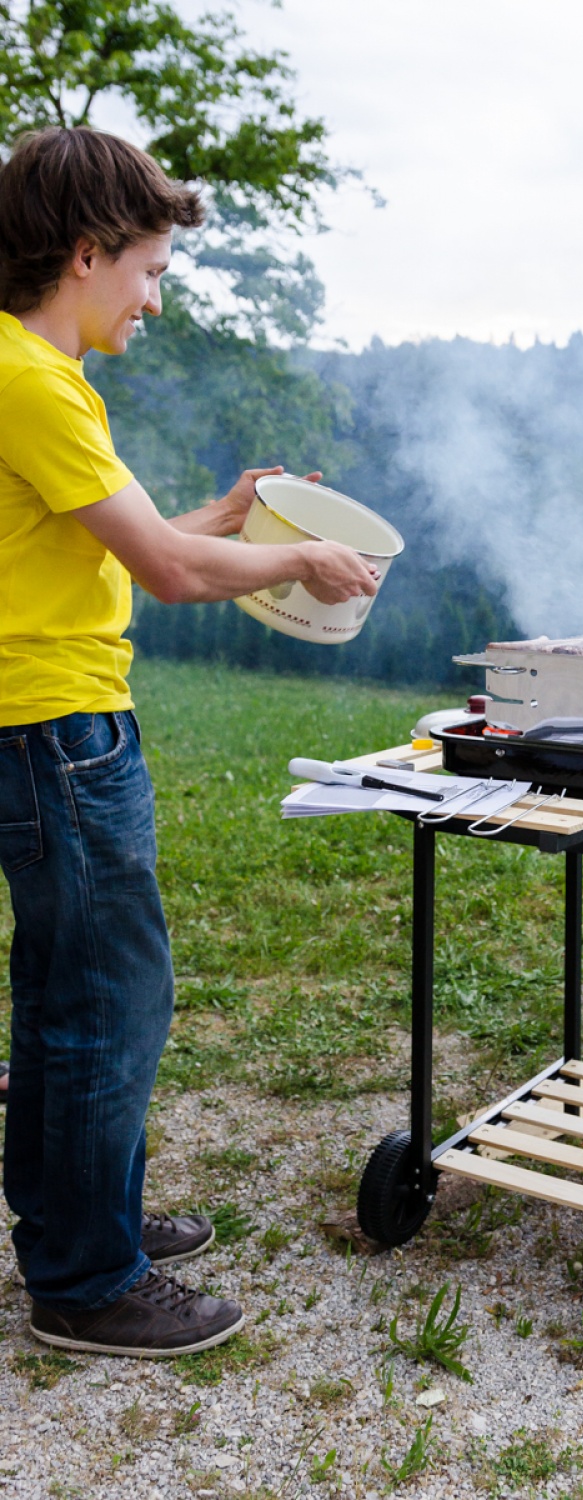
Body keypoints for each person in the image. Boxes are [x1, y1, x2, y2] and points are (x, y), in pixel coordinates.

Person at [0, 126, 380, 1357]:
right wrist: (300, 557)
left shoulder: (19, 371)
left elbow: (109, 540)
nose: (157, 298)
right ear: (87, 251)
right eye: (152, 271)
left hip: (39, 728)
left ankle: (73, 1219)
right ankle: (88, 1280)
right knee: (114, 995)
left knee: (64, 986)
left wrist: (224, 515)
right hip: (59, 731)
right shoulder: (35, 379)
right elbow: (163, 575)